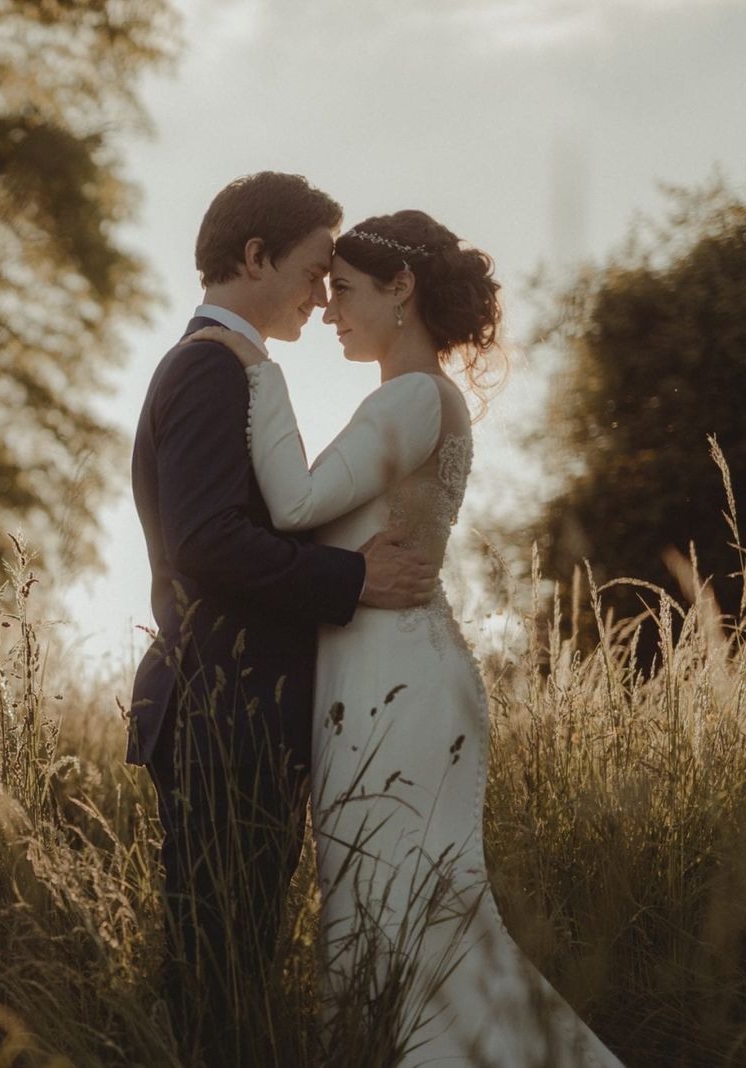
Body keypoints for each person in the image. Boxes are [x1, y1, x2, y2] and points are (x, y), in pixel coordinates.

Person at [186, 209, 624, 1064]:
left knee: (410, 911)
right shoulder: (408, 397)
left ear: (402, 290)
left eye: (344, 289)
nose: (330, 308)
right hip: (373, 676)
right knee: (376, 911)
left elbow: (297, 507)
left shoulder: (414, 395)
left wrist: (257, 372)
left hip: (401, 683)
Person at [126, 172, 437, 1063]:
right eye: (310, 270)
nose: (320, 292)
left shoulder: (226, 368)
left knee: (233, 963)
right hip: (223, 713)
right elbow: (207, 542)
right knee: (218, 974)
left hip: (241, 713)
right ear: (255, 257)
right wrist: (351, 580)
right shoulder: (208, 370)